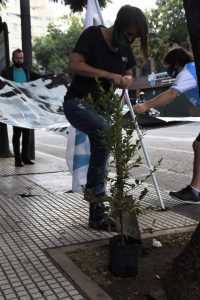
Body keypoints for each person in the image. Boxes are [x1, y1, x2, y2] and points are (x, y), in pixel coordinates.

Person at [63, 5, 148, 230]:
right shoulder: (93, 35)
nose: (130, 40)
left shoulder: (125, 49)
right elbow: (74, 64)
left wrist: (127, 79)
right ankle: (97, 198)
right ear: (119, 24)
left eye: (134, 37)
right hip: (77, 103)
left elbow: (128, 73)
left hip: (103, 108)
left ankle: (97, 215)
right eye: (129, 34)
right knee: (106, 134)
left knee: (103, 145)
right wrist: (109, 75)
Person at [134, 47, 200, 204]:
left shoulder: (187, 72)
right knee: (198, 145)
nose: (168, 70)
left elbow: (171, 94)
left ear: (176, 64)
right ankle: (195, 190)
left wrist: (145, 106)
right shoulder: (191, 71)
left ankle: (195, 191)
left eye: (168, 66)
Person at [2, 48, 41, 167]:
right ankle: (17, 159)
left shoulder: (27, 71)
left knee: (27, 133)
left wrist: (54, 77)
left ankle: (25, 157)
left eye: (21, 58)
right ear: (13, 59)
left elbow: (40, 77)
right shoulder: (6, 73)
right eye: (17, 58)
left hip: (26, 107)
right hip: (14, 108)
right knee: (17, 133)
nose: (20, 60)